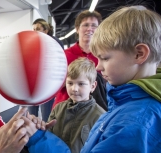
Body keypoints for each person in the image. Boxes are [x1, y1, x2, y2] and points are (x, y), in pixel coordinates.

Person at [23, 5, 161, 153]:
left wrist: (38, 138)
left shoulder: (133, 123)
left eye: (105, 58)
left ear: (139, 54)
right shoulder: (125, 105)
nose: (98, 67)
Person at [47, 57, 105, 153]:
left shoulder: (100, 117)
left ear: (93, 86)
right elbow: (48, 136)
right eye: (70, 83)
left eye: (81, 84)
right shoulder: (58, 109)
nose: (74, 89)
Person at [53, 10, 107, 111]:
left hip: (94, 111)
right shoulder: (63, 55)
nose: (90, 29)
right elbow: (53, 86)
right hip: (64, 110)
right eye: (85, 25)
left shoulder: (103, 55)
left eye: (94, 26)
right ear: (77, 29)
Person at [28, 18, 64, 122]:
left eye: (38, 29)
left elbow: (59, 63)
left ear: (46, 30)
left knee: (46, 116)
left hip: (47, 85)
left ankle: (46, 136)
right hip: (34, 84)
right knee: (32, 116)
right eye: (33, 29)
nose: (35, 31)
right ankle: (33, 136)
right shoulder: (33, 43)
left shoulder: (55, 42)